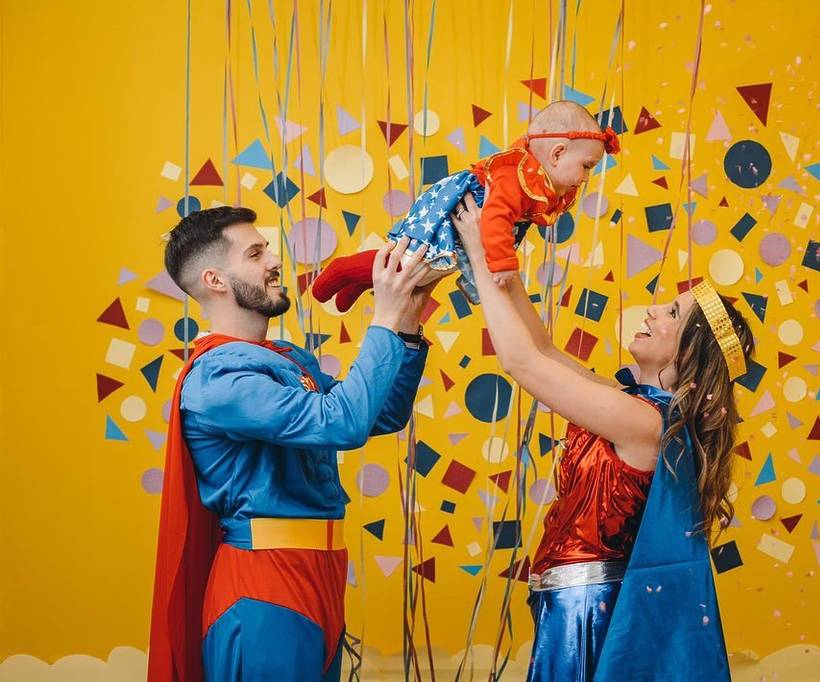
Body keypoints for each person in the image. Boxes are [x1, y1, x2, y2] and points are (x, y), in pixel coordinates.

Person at [451, 196, 755, 681]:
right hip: (570, 599)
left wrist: (475, 248)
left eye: (672, 312)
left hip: (586, 608)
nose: (652, 311)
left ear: (689, 352)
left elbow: (520, 362)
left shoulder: (644, 423)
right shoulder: (629, 403)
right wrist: (496, 260)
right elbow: (541, 348)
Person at [148, 206, 434, 681]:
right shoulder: (217, 377)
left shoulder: (286, 359)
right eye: (255, 254)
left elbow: (380, 414)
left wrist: (405, 321)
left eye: (267, 249)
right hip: (264, 583)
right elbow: (342, 423)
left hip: (321, 573)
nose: (274, 260)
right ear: (215, 280)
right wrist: (383, 318)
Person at [311, 100, 620, 311]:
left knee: (419, 275)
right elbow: (496, 218)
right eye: (587, 166)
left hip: (463, 232)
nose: (586, 177)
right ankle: (342, 270)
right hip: (448, 217)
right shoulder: (513, 176)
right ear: (557, 153)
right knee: (408, 265)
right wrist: (503, 263)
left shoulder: (538, 182)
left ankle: (358, 283)